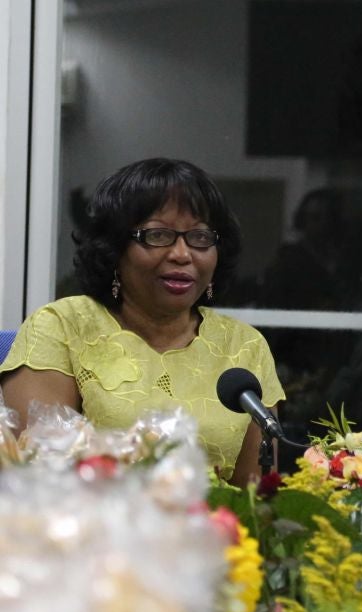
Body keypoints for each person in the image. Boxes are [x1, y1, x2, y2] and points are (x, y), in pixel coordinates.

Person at [0, 158, 285, 486]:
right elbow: (37, 478)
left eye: (200, 238)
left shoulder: (245, 346)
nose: (182, 254)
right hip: (92, 530)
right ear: (115, 248)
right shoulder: (63, 327)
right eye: (158, 235)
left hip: (219, 533)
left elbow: (258, 494)